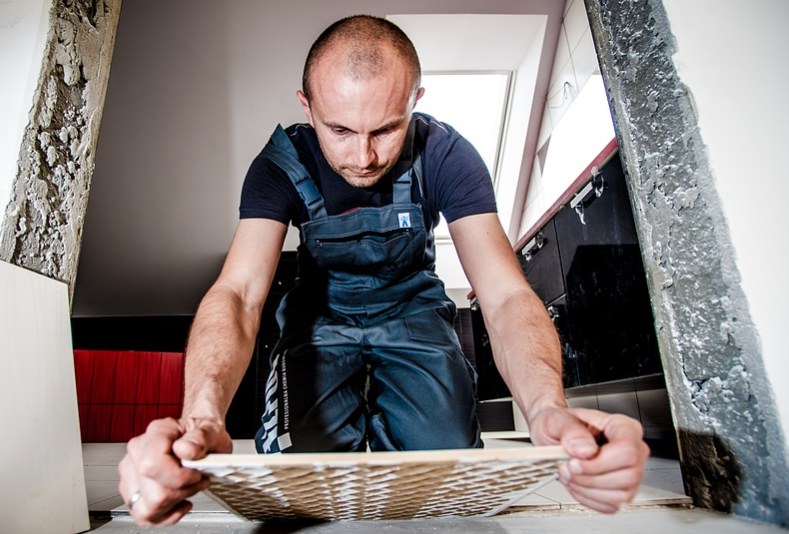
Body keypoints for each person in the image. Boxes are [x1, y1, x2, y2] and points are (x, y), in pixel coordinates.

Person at [119, 14, 650, 527]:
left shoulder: (446, 155)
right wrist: (203, 417)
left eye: (386, 129)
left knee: (444, 477)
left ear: (414, 104)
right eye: (341, 130)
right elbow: (237, 294)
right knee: (305, 481)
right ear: (307, 106)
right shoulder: (279, 166)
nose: (365, 156)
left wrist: (545, 412)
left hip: (413, 310)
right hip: (319, 320)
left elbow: (505, 294)